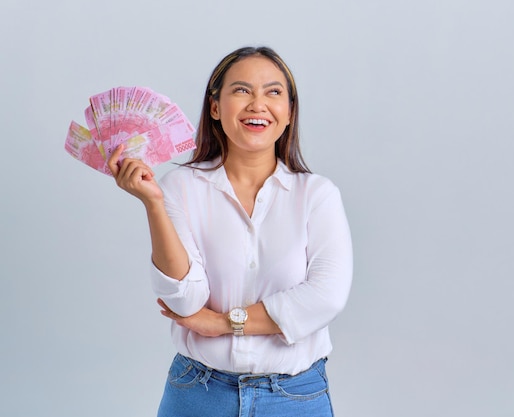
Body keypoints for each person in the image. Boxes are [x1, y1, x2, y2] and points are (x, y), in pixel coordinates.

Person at [107, 46, 353, 417]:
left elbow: (326, 297)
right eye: (241, 90)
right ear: (216, 107)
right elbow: (185, 302)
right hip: (198, 393)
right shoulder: (180, 187)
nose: (258, 104)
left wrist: (222, 323)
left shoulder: (317, 195)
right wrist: (153, 204)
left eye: (273, 92)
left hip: (294, 397)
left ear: (289, 112)